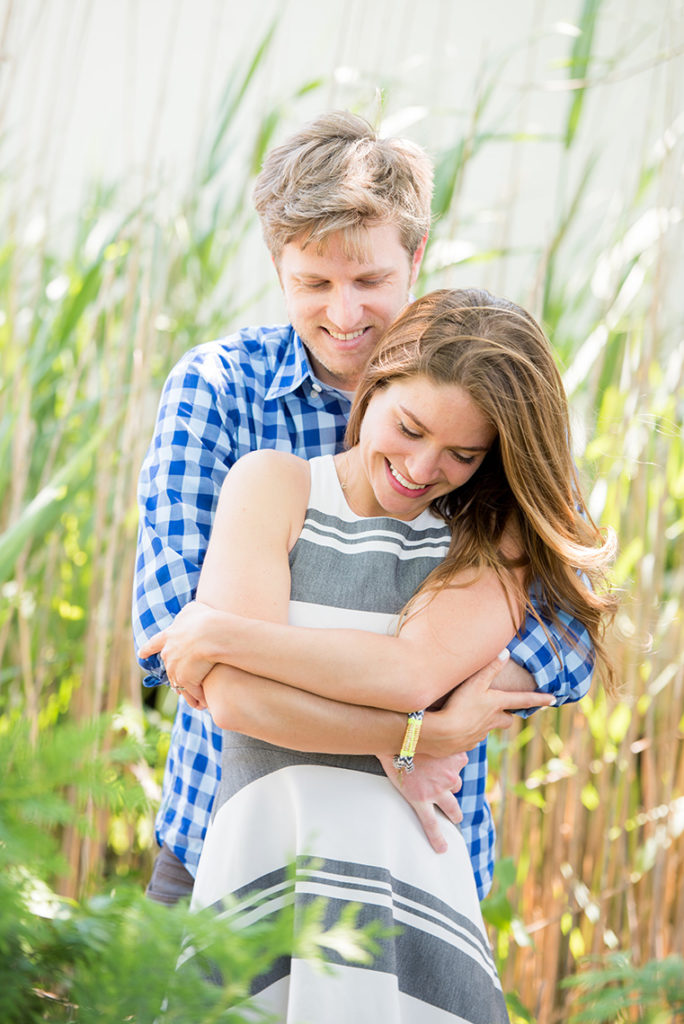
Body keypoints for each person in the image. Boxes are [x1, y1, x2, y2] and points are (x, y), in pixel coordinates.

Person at [133, 111, 597, 909]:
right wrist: (411, 732)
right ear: (277, 265)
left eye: (369, 281)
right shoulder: (219, 392)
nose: (343, 315)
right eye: (313, 283)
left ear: (415, 257)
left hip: (415, 852)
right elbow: (181, 642)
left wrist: (450, 693)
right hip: (228, 836)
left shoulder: (488, 394)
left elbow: (567, 628)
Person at [141, 288, 616, 1022]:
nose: (424, 468)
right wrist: (416, 736)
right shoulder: (273, 484)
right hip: (262, 851)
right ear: (377, 383)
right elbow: (237, 704)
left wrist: (221, 633)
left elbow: (411, 673)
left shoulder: (488, 542)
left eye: (463, 454)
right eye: (410, 427)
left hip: (406, 882)